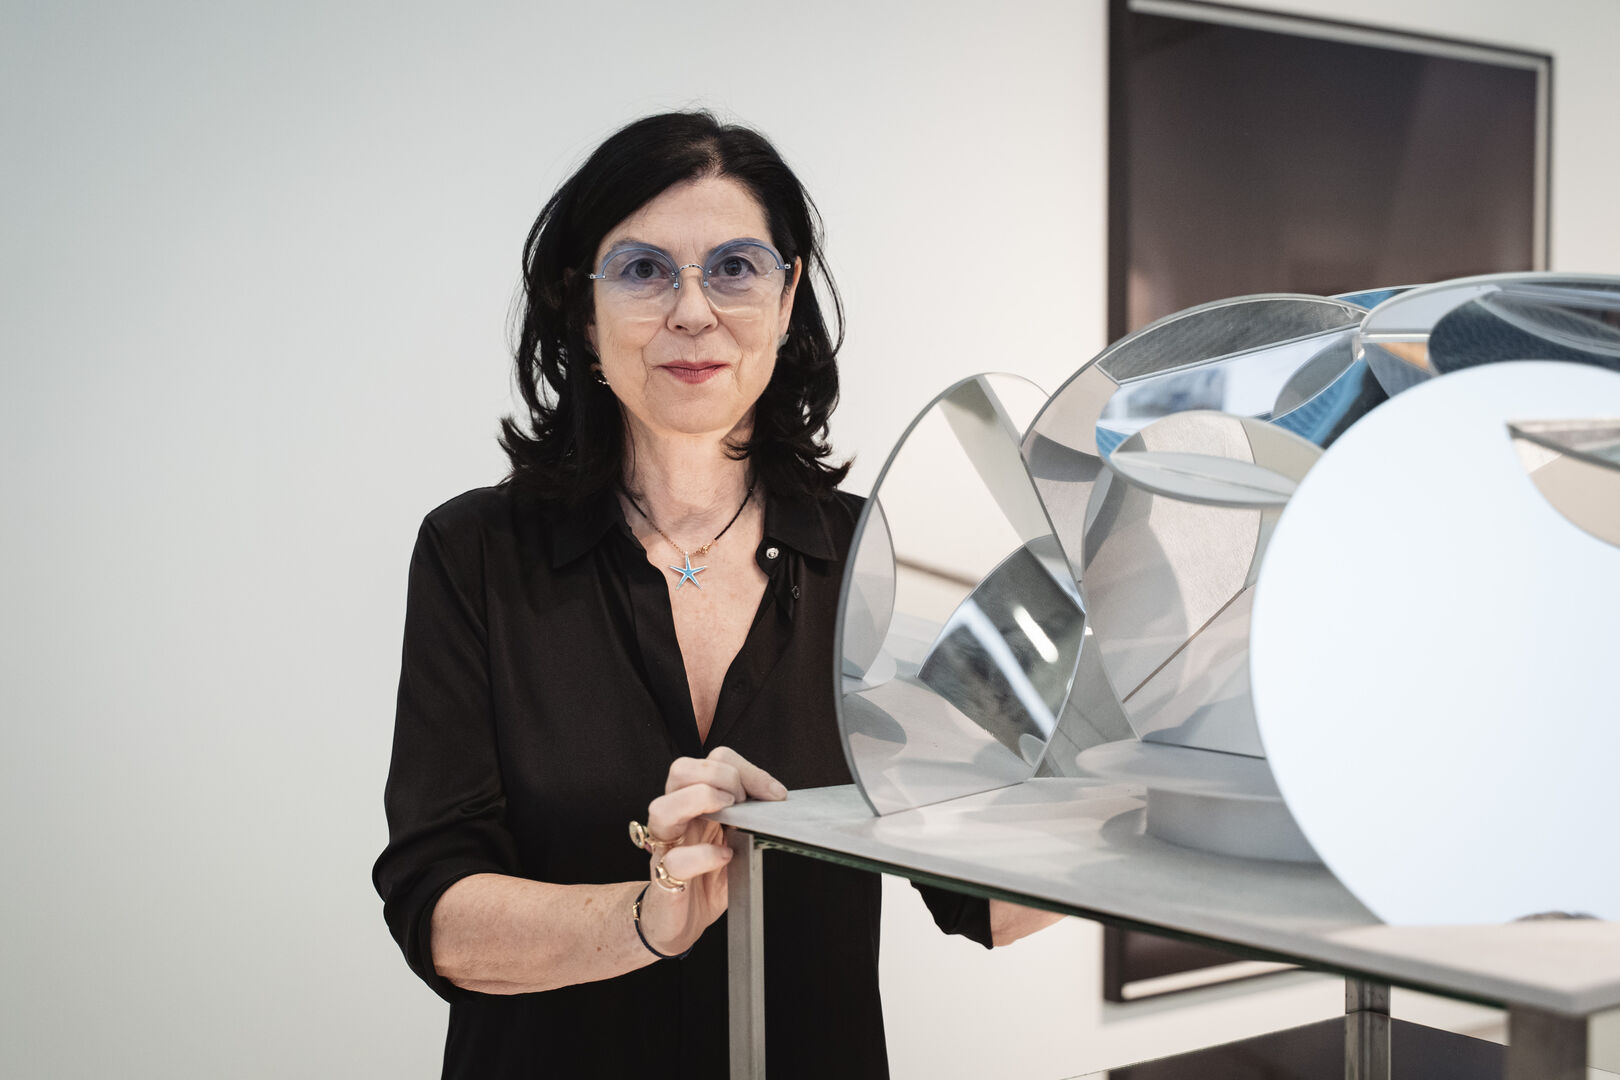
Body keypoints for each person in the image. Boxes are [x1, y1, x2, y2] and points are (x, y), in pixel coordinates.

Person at [372, 111, 1059, 1079]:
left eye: (735, 267)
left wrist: (1155, 783)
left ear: (787, 299)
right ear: (582, 310)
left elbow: (982, 898)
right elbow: (438, 913)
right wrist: (648, 916)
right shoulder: (475, 552)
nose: (693, 311)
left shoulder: (877, 557)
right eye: (642, 270)